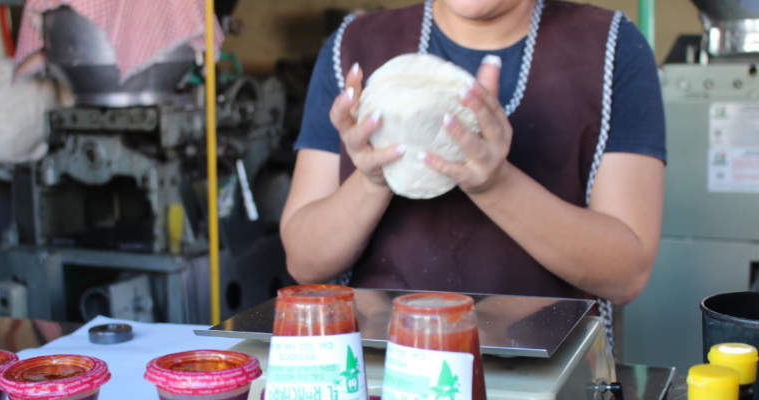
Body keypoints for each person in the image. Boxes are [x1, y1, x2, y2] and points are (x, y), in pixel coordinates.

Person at [280, 0, 665, 332]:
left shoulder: (611, 48)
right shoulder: (353, 47)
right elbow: (304, 260)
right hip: (383, 372)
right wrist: (373, 178)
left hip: (546, 379)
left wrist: (496, 186)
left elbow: (626, 274)